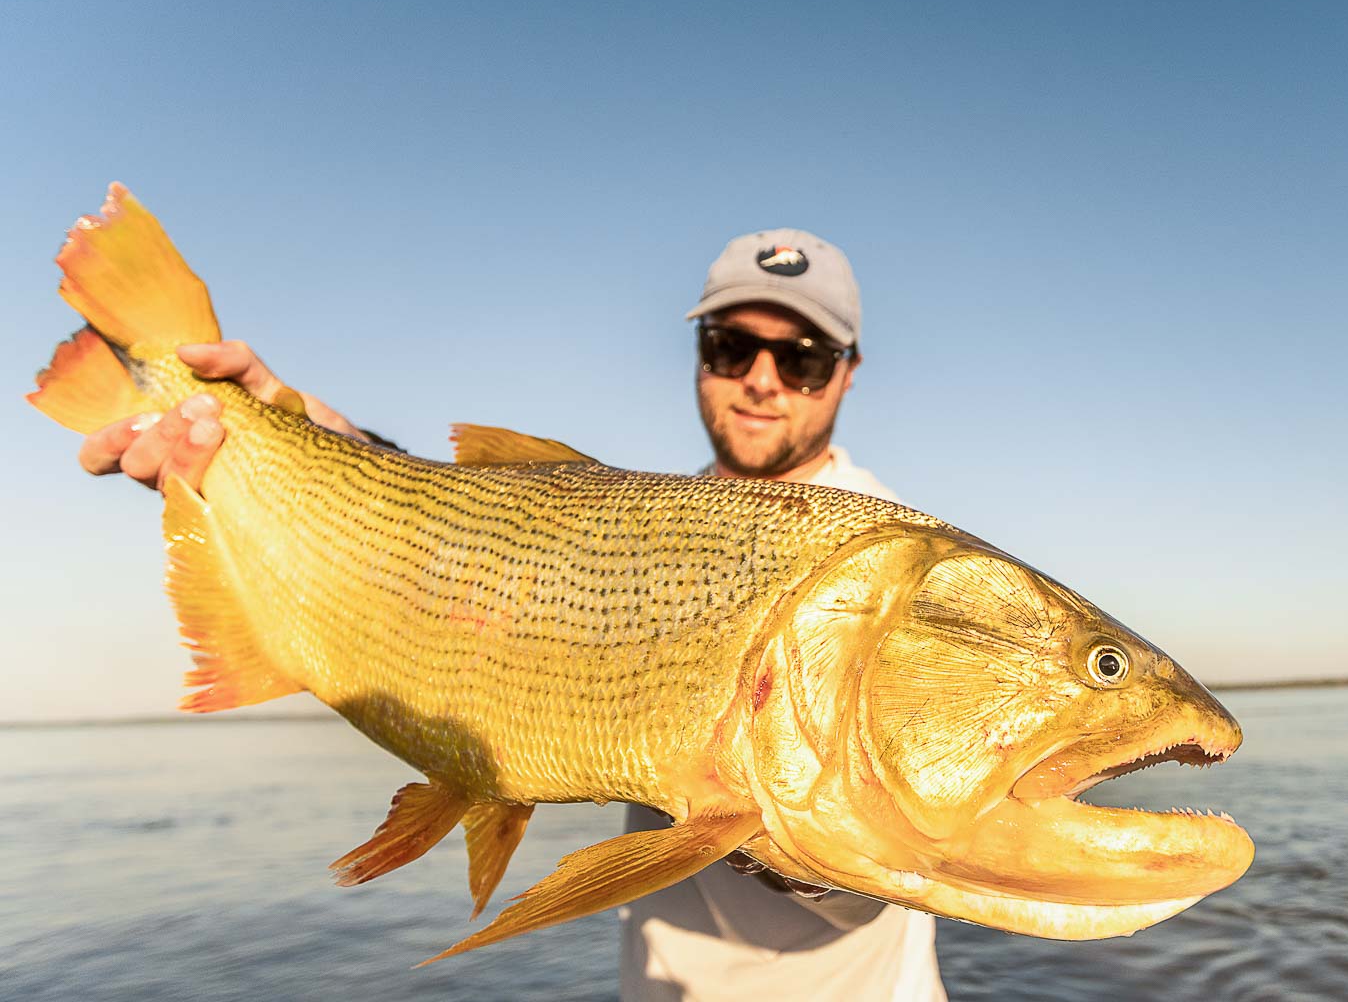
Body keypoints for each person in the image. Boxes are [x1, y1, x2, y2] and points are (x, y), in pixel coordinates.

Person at [77, 229, 948, 1002]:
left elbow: (896, 847)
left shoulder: (891, 569)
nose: (762, 381)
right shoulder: (665, 510)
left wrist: (804, 833)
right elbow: (475, 527)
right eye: (731, 347)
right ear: (697, 352)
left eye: (800, 358)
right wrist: (310, 439)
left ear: (847, 370)